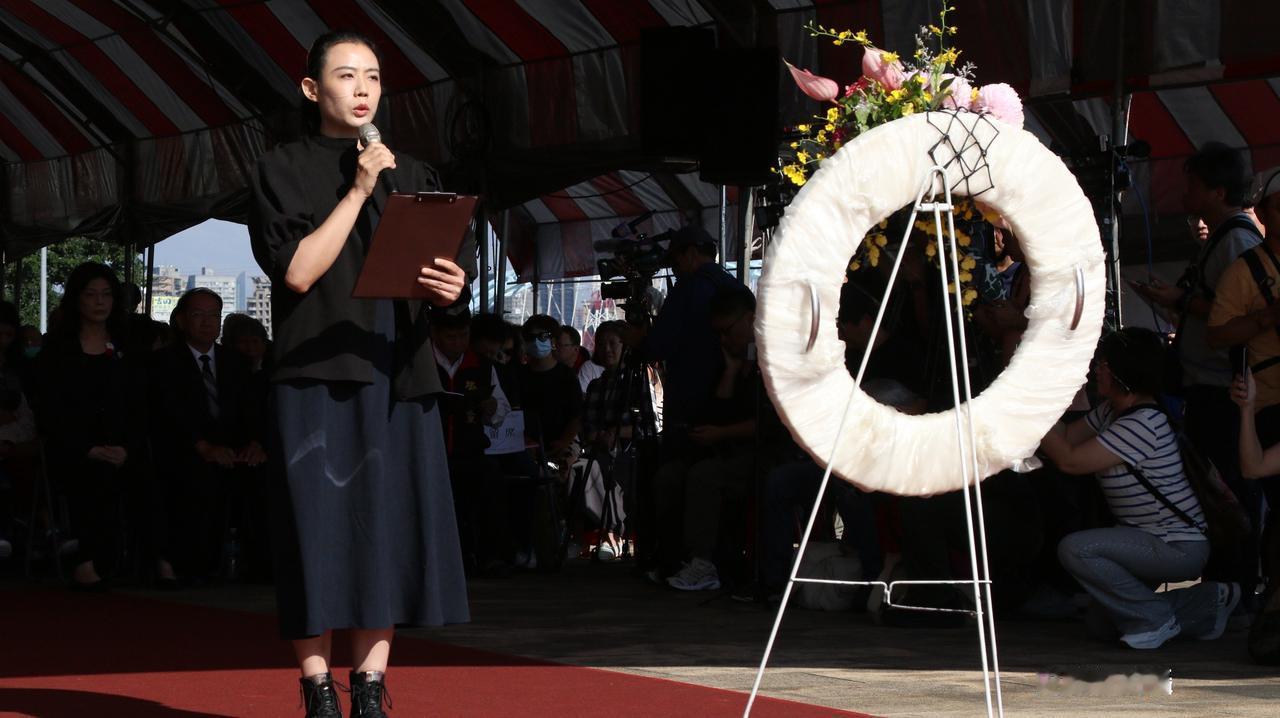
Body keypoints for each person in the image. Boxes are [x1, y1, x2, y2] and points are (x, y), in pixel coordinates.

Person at [248, 30, 471, 718]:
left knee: (388, 529)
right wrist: (359, 187)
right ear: (313, 89)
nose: (364, 88)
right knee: (314, 532)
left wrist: (448, 284)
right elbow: (299, 271)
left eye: (373, 75)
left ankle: (370, 687)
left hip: (397, 368)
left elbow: (429, 270)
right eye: (346, 75)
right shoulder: (280, 169)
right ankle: (317, 687)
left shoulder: (414, 172)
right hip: (315, 369)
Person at [1038, 328, 1240, 649]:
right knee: (1102, 624)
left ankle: (1155, 618)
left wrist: (1029, 405)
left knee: (1076, 548)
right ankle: (1209, 601)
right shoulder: (1111, 411)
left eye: (1104, 364)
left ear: (1125, 370)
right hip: (1144, 540)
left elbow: (1070, 460)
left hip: (1175, 546)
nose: (1096, 370)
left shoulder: (1144, 422)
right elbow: (1066, 439)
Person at [1133, 142, 1260, 511]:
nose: (1185, 194)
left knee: (1229, 486)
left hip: (1221, 388)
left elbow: (1236, 314)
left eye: (1193, 187)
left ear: (1218, 192)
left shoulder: (1236, 239)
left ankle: (1244, 558)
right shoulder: (1222, 237)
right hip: (1207, 384)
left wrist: (1180, 300)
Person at [31, 263, 146, 590]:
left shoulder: (128, 349)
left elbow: (139, 408)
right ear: (77, 300)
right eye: (91, 294)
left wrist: (125, 447)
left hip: (122, 446)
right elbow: (50, 411)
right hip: (73, 448)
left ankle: (156, 562)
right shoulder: (56, 353)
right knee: (90, 476)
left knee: (152, 470)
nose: (100, 302)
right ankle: (86, 561)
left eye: (107, 295)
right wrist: (88, 447)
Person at [148, 289, 268, 585]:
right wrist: (203, 446)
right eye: (198, 315)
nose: (206, 322)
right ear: (181, 320)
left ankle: (264, 564)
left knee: (267, 474)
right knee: (191, 477)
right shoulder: (164, 362)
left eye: (214, 315)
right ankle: (192, 564)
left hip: (234, 449)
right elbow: (168, 414)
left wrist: (256, 443)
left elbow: (252, 409)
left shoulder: (235, 362)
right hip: (187, 450)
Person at [624, 226, 739, 432]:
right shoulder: (735, 286)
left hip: (690, 402)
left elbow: (657, 346)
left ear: (692, 253)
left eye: (675, 262)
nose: (675, 271)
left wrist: (637, 340)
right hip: (732, 398)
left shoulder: (688, 290)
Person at [580, 321, 657, 559]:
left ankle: (615, 531)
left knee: (623, 468)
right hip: (601, 448)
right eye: (602, 344)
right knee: (582, 469)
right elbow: (588, 425)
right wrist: (598, 436)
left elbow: (648, 423)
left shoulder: (637, 382)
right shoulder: (596, 386)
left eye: (614, 344)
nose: (607, 349)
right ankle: (608, 531)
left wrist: (618, 432)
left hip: (630, 448)